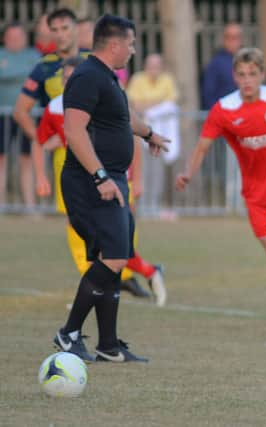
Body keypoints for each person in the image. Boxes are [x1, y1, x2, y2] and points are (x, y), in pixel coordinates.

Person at [53, 14, 169, 362]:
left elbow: (122, 117)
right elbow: (74, 132)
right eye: (131, 44)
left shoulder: (106, 77)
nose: (133, 50)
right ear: (115, 44)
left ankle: (108, 345)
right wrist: (100, 176)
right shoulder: (87, 76)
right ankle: (68, 333)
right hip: (92, 181)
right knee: (116, 257)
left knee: (115, 257)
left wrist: (148, 133)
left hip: (113, 178)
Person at [176, 47, 266, 317]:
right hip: (256, 195)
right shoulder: (225, 109)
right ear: (234, 76)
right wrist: (188, 172)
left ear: (261, 74)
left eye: (252, 74)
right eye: (241, 74)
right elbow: (202, 147)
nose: (247, 80)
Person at [35, 55, 167, 305]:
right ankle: (98, 294)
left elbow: (131, 138)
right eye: (65, 79)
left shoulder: (103, 100)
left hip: (112, 181)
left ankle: (140, 275)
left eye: (73, 78)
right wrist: (42, 173)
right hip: (82, 183)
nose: (69, 83)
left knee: (116, 244)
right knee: (93, 241)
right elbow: (44, 140)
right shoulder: (56, 108)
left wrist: (136, 178)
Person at [13, 9, 89, 211]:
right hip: (64, 153)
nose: (60, 34)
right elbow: (20, 111)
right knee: (74, 216)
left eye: (65, 28)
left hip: (96, 146)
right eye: (55, 29)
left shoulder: (93, 61)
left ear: (76, 29)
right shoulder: (44, 67)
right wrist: (44, 140)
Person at [0, 23, 40, 208]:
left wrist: (8, 74)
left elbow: (38, 74)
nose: (15, 41)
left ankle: (30, 205)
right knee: (2, 158)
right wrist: (23, 74)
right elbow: (29, 74)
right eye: (11, 37)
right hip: (3, 115)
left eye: (19, 37)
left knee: (28, 158)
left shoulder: (33, 55)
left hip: (28, 115)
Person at [201, 23, 243, 109]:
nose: (233, 41)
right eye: (229, 37)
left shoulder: (247, 59)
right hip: (225, 113)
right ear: (224, 39)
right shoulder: (216, 63)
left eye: (236, 37)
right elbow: (208, 94)